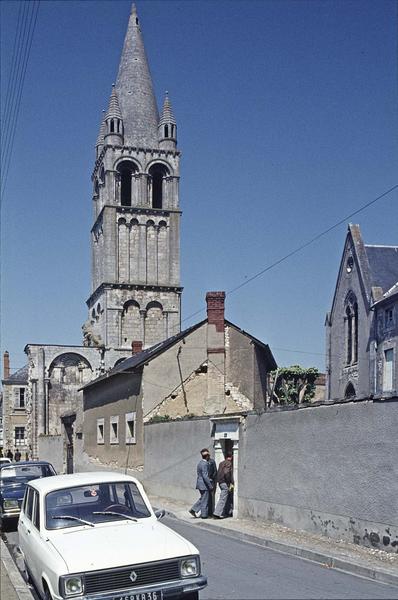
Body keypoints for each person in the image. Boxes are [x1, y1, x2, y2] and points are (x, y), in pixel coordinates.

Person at [189, 449, 213, 519]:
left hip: (200, 483)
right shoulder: (204, 464)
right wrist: (210, 485)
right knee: (205, 500)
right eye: (209, 455)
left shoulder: (200, 463)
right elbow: (205, 476)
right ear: (207, 456)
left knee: (203, 498)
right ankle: (204, 515)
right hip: (204, 485)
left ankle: (193, 509)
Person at [213, 452, 234, 519]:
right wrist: (230, 482)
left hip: (220, 482)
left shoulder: (221, 463)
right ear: (230, 457)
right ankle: (217, 513)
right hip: (225, 483)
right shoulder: (228, 463)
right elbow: (226, 473)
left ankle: (228, 512)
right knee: (223, 498)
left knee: (227, 498)